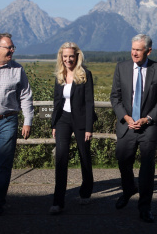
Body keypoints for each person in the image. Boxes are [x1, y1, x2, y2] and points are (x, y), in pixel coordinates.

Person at [110, 34, 157, 223]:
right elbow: (115, 97)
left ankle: (145, 207)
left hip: (148, 127)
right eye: (132, 49)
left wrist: (147, 119)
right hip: (126, 125)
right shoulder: (121, 68)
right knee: (123, 159)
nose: (134, 53)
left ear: (148, 51)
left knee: (147, 167)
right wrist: (126, 117)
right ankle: (128, 190)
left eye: (138, 49)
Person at [0, 33, 34, 216]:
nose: (12, 50)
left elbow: (26, 96)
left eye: (13, 47)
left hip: (8, 121)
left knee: (5, 163)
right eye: (9, 47)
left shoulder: (17, 69)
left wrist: (27, 121)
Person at [50, 42, 97, 215]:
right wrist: (54, 124)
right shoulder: (59, 75)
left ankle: (85, 192)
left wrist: (88, 127)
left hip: (81, 120)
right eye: (65, 56)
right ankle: (58, 202)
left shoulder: (85, 75)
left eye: (71, 56)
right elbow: (57, 101)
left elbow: (89, 102)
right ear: (61, 57)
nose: (68, 59)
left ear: (77, 56)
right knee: (61, 158)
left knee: (84, 156)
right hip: (63, 119)